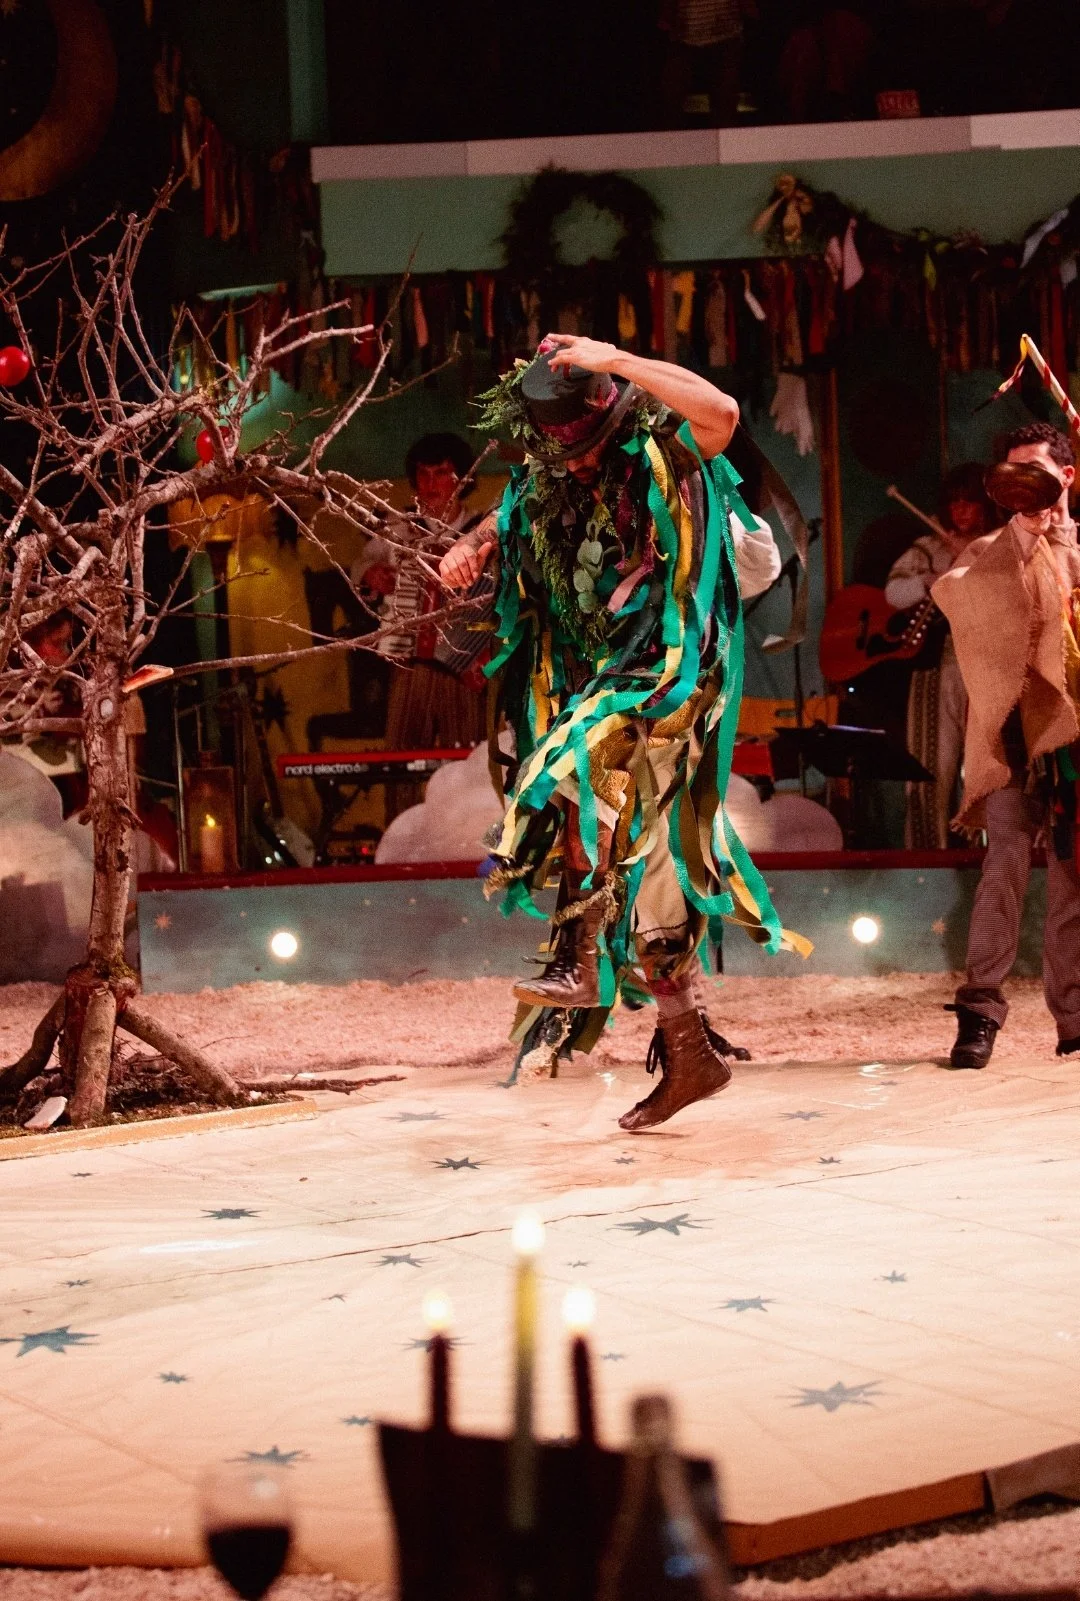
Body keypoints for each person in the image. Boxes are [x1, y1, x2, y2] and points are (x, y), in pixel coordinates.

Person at [440, 336, 807, 1131]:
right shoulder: (547, 480)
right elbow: (503, 528)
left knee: (574, 767)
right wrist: (465, 552)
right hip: (612, 676)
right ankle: (691, 1053)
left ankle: (576, 950)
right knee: (658, 876)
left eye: (589, 447)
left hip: (679, 672)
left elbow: (724, 414)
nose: (574, 465)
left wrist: (618, 359)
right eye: (559, 453)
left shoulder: (664, 453)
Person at [933, 422, 1080, 1069]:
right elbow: (958, 596)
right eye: (1012, 473)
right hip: (1015, 738)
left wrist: (1062, 541)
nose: (1024, 485)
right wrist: (1022, 539)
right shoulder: (992, 547)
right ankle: (981, 1012)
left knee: (1075, 882)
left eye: (1037, 473)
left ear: (1065, 478)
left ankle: (1075, 1017)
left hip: (1075, 740)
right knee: (1003, 871)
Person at [353, 432, 491, 761]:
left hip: (466, 668)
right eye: (423, 474)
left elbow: (496, 598)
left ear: (463, 479)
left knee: (466, 765)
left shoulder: (483, 528)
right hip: (409, 663)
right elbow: (361, 564)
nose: (430, 484)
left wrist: (484, 638)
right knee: (401, 761)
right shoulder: (400, 528)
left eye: (441, 473)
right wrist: (371, 574)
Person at [884, 464, 994, 849]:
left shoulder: (1001, 544)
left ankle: (988, 859)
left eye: (971, 503)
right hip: (938, 668)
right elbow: (893, 595)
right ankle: (928, 858)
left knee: (988, 772)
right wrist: (932, 579)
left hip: (989, 667)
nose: (962, 512)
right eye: (956, 504)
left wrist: (973, 559)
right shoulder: (930, 547)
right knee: (933, 766)